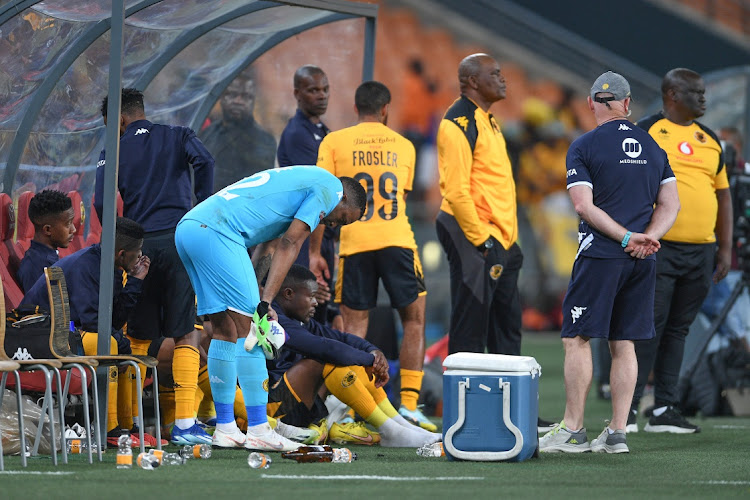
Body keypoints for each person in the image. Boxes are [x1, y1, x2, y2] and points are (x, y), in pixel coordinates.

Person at [174, 165, 365, 452]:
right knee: (254, 330)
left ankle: (226, 427)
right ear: (346, 200)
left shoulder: (298, 185)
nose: (335, 225)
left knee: (225, 330)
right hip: (219, 232)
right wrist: (262, 304)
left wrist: (255, 293)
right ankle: (259, 429)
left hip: (191, 229)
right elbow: (291, 242)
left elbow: (269, 246)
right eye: (343, 219)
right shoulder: (330, 188)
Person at [539, 71, 680, 454]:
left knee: (577, 337)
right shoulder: (653, 147)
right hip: (643, 259)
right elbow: (671, 204)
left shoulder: (583, 146)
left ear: (591, 104)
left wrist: (623, 237)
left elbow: (583, 204)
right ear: (627, 104)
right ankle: (618, 432)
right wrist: (649, 238)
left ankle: (573, 430)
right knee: (625, 343)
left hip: (602, 254)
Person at [94, 87, 214, 446]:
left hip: (139, 249)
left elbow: (101, 200)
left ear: (118, 119)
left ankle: (125, 426)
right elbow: (205, 161)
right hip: (181, 241)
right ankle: (185, 424)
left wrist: (122, 240)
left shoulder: (113, 150)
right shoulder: (178, 135)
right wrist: (202, 207)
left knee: (138, 336)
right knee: (187, 333)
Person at [316, 81, 435, 432]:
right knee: (413, 321)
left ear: (356, 108)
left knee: (354, 326)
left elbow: (323, 199)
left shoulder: (334, 141)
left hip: (353, 243)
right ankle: (410, 407)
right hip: (397, 240)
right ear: (386, 109)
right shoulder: (404, 145)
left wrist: (314, 252)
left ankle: (354, 409)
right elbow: (405, 192)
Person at [629, 68, 733, 434]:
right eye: (696, 93)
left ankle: (663, 410)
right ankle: (626, 408)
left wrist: (724, 250)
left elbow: (724, 196)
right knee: (647, 327)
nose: (703, 99)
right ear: (672, 94)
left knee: (678, 330)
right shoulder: (645, 131)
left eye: (704, 93)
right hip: (658, 247)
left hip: (701, 252)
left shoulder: (710, 140)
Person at [267, 264, 441, 447]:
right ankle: (390, 430)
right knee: (328, 359)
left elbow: (341, 338)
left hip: (291, 405)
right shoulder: (274, 319)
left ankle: (397, 423)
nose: (315, 303)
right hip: (271, 412)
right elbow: (325, 348)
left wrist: (373, 351)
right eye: (311, 296)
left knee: (347, 359)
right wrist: (370, 360)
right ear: (288, 294)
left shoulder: (298, 320)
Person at [22, 217, 158, 447]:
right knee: (110, 344)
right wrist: (119, 340)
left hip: (70, 332)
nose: (140, 257)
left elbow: (112, 319)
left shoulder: (110, 265)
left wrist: (134, 281)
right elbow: (93, 322)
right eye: (137, 253)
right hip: (40, 336)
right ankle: (110, 428)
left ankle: (128, 426)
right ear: (122, 253)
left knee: (121, 345)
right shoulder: (86, 266)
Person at [435, 54, 524, 356]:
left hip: (501, 238)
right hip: (475, 234)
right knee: (470, 327)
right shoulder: (458, 122)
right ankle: (464, 402)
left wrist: (509, 242)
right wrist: (482, 241)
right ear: (473, 81)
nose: (503, 79)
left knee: (507, 328)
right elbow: (456, 190)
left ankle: (508, 400)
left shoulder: (488, 120)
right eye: (495, 74)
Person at [277, 65, 338, 326]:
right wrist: (313, 253)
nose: (321, 95)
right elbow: (315, 196)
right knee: (305, 308)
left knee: (320, 307)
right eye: (313, 90)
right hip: (305, 236)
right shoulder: (297, 135)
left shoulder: (323, 130)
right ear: (297, 93)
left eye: (325, 89)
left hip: (321, 237)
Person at [200, 72, 277, 192]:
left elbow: (256, 189)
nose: (238, 101)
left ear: (253, 101)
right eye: (232, 94)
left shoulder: (262, 140)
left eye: (245, 96)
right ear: (221, 98)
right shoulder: (208, 133)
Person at [17, 190, 75, 292]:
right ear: (48, 230)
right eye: (68, 224)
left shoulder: (46, 258)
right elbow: (45, 306)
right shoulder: (38, 268)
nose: (73, 229)